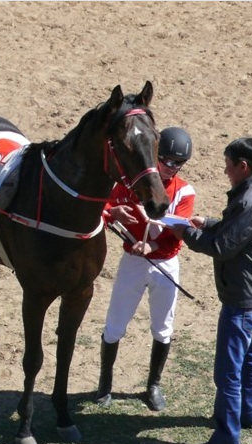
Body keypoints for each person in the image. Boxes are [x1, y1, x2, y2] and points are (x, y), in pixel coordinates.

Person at [169, 137, 252, 444]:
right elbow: (241, 230)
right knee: (251, 360)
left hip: (243, 298)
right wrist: (207, 223)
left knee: (228, 371)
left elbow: (221, 247)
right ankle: (248, 415)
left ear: (243, 166)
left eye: (229, 165)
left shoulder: (247, 201)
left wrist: (185, 233)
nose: (225, 171)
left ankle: (226, 439)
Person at [96, 126, 195, 411]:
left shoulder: (185, 191)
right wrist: (111, 212)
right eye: (165, 160)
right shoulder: (130, 184)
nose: (170, 168)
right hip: (133, 263)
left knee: (162, 328)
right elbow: (102, 206)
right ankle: (105, 383)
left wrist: (153, 248)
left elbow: (179, 230)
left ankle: (153, 384)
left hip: (164, 263)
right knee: (115, 325)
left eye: (178, 163)